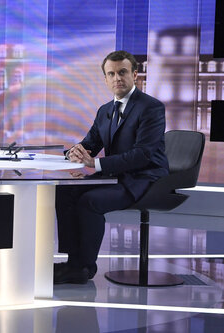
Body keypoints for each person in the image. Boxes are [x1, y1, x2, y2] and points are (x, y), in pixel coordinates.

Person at [54, 50, 169, 284]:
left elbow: (143, 155)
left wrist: (94, 164)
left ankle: (85, 268)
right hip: (116, 176)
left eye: (123, 72)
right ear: (105, 79)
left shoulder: (151, 108)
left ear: (135, 74)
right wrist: (73, 152)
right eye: (111, 74)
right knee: (65, 190)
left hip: (144, 179)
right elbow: (90, 145)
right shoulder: (105, 111)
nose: (117, 78)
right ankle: (73, 261)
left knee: (90, 201)